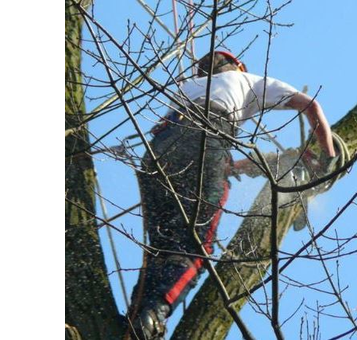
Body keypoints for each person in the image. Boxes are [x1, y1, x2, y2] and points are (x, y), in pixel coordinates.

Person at [129, 51, 337, 340]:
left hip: (157, 153)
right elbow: (310, 106)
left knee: (162, 249)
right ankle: (153, 316)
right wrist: (328, 160)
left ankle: (136, 318)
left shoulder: (188, 89)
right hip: (207, 138)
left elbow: (212, 161)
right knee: (194, 252)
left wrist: (264, 164)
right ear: (237, 66)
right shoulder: (246, 80)